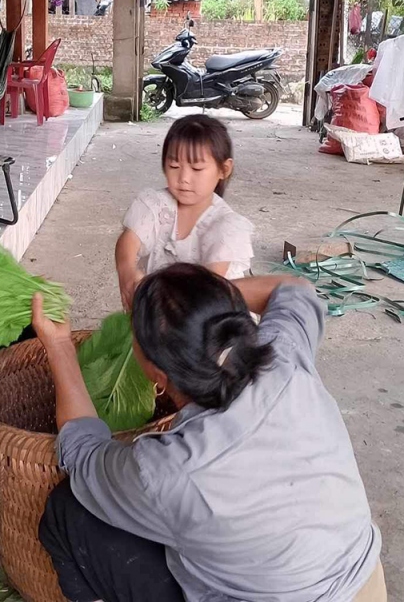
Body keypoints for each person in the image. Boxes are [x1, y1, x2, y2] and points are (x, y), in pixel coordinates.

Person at [33, 264, 386, 602]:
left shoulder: (167, 469)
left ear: (157, 375)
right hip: (364, 584)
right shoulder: (285, 358)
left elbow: (81, 452)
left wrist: (59, 345)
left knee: (69, 508)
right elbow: (295, 288)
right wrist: (201, 305)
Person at [115, 114, 253, 311]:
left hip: (207, 318)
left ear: (224, 169)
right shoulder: (156, 204)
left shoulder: (226, 226)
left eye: (197, 168)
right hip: (160, 314)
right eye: (174, 166)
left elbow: (209, 288)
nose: (184, 178)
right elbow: (128, 240)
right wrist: (127, 272)